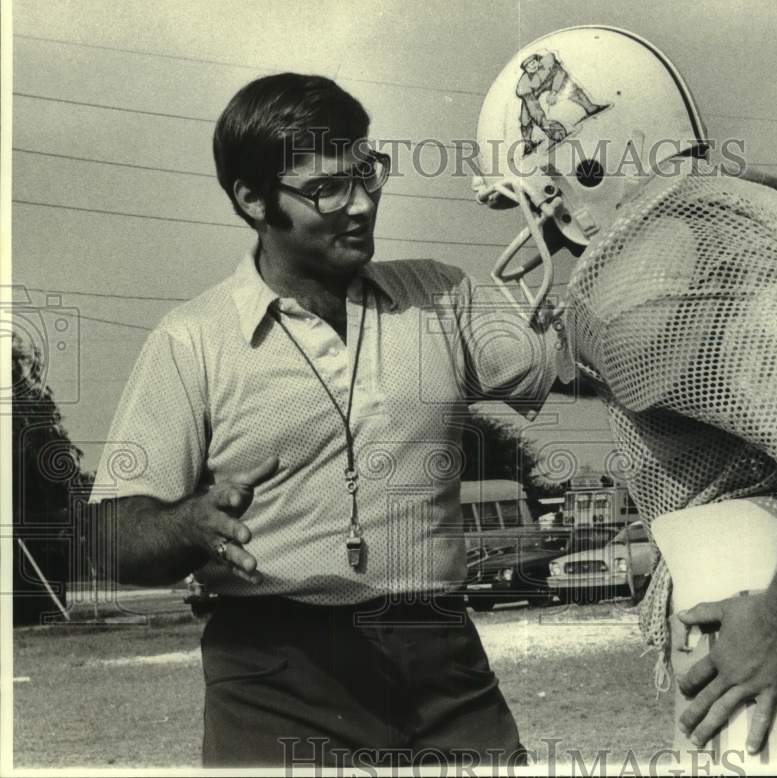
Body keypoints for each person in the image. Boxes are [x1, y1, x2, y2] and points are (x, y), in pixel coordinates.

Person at [474, 26, 777, 766]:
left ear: (584, 167)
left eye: (539, 203)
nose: (547, 240)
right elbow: (683, 382)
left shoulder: (663, 267)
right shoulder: (713, 234)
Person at [86, 72, 561, 769]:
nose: (362, 204)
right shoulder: (191, 339)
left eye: (367, 173)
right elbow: (107, 534)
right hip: (275, 679)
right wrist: (187, 524)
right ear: (252, 200)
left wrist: (651, 223)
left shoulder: (442, 297)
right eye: (326, 189)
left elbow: (589, 360)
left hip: (444, 670)